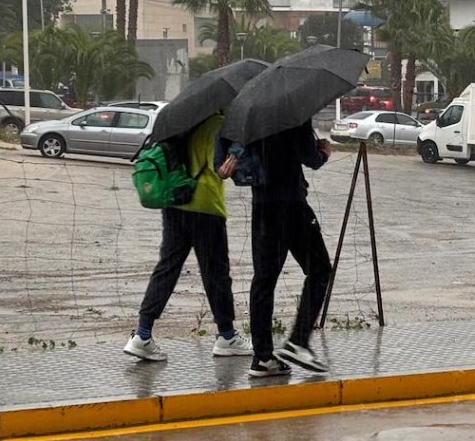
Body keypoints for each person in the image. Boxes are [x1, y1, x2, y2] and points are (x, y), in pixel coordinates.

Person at [123, 113, 250, 362]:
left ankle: (143, 334)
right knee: (216, 273)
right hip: (205, 204)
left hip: (175, 201)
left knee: (167, 268)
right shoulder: (222, 124)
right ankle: (227, 335)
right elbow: (225, 167)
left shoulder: (183, 121)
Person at [220, 121, 332, 378]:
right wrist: (323, 151)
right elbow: (310, 158)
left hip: (263, 206)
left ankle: (262, 357)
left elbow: (225, 157)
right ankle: (298, 341)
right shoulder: (293, 114)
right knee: (320, 269)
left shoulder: (249, 118)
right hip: (291, 204)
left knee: (264, 279)